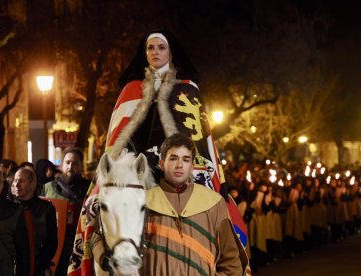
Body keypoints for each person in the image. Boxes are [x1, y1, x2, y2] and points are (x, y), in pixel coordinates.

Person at [68, 30, 248, 275]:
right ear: (145, 53)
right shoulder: (130, 90)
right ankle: (97, 257)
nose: (156, 53)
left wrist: (176, 160)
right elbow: (118, 140)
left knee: (217, 204)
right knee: (94, 207)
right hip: (135, 166)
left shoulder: (188, 89)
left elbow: (200, 138)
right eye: (151, 48)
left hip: (183, 162)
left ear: (170, 52)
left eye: (161, 48)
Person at [144, 133, 249, 275]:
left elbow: (231, 261)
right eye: (173, 158)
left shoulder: (213, 202)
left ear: (192, 166)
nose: (179, 165)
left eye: (186, 160)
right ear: (162, 164)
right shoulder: (143, 202)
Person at [44, 147, 89, 276]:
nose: (70, 166)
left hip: (79, 243)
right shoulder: (49, 188)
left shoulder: (89, 188)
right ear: (62, 165)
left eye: (75, 163)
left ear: (81, 166)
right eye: (67, 162)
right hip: (55, 245)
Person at [13, 167, 58, 276]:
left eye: (21, 181)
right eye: (15, 180)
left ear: (33, 184)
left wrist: (34, 265)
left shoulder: (46, 209)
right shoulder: (10, 208)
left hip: (37, 268)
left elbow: (51, 244)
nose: (16, 185)